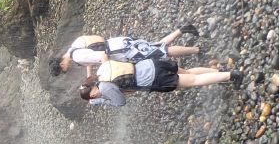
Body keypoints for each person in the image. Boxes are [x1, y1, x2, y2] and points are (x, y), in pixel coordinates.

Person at [78, 56, 242, 107]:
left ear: (92, 93)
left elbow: (120, 102)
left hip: (154, 77)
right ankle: (219, 73)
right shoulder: (101, 71)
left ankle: (231, 75)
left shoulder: (105, 88)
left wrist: (101, 101)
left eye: (92, 96)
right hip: (151, 63)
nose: (94, 96)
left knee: (194, 81)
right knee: (189, 72)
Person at [49, 24, 200, 77]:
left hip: (122, 51)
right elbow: (95, 46)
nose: (66, 70)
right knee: (155, 46)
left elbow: (102, 56)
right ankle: (182, 30)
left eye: (63, 70)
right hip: (117, 42)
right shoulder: (74, 46)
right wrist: (89, 75)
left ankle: (196, 50)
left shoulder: (77, 58)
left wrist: (107, 71)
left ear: (61, 65)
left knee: (162, 51)